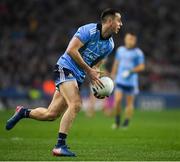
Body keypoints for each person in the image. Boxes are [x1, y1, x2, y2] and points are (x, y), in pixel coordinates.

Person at [6, 8, 122, 157]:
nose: (121, 24)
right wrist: (88, 70)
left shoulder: (110, 45)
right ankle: (60, 146)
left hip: (77, 76)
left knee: (51, 114)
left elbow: (96, 66)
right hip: (65, 67)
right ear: (110, 21)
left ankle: (23, 112)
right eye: (119, 20)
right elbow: (71, 50)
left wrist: (97, 86)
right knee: (76, 104)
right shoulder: (89, 30)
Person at [111, 32, 145, 129]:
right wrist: (113, 75)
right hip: (120, 80)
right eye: (129, 39)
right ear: (125, 39)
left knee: (129, 104)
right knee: (117, 101)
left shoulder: (138, 53)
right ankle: (117, 121)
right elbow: (116, 63)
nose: (130, 41)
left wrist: (130, 71)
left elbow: (142, 67)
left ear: (135, 41)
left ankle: (126, 122)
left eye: (132, 39)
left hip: (131, 82)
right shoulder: (120, 50)